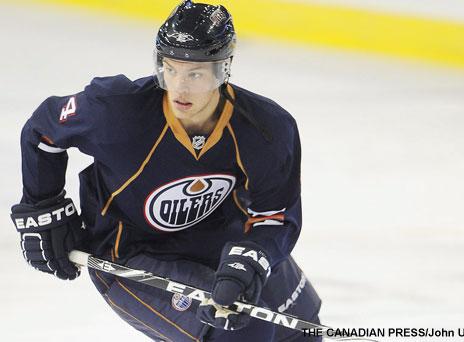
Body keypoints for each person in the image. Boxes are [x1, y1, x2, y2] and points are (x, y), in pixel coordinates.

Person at [10, 1, 322, 340]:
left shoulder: (266, 128)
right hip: (130, 251)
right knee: (241, 332)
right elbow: (43, 130)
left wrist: (251, 259)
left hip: (220, 237)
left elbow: (274, 217)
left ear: (222, 70)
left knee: (301, 329)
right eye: (170, 69)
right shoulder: (117, 110)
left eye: (196, 73)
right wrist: (43, 204)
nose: (180, 87)